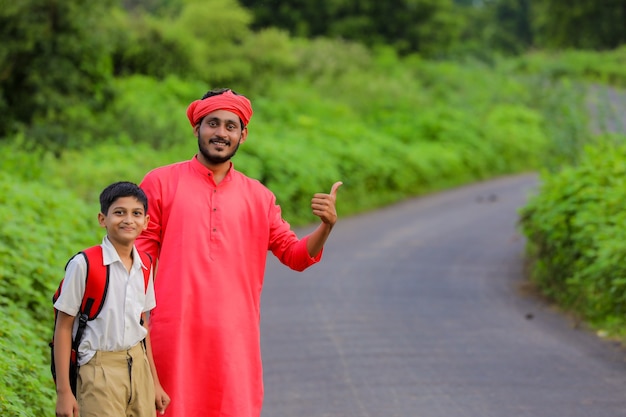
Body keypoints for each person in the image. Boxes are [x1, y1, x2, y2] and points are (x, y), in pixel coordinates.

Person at [136, 88, 342, 417]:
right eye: (212, 123)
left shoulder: (259, 197)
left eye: (231, 126)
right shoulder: (160, 183)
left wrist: (326, 227)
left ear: (243, 135)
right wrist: (135, 326)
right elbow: (138, 262)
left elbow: (295, 255)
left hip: (235, 338)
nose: (221, 133)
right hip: (173, 334)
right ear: (196, 129)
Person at [53, 181, 170, 417]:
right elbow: (63, 327)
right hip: (99, 370)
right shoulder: (84, 264)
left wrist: (154, 382)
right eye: (119, 212)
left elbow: (142, 325)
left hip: (139, 368)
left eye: (136, 213)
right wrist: (64, 392)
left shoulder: (145, 264)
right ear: (102, 219)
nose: (128, 220)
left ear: (146, 222)